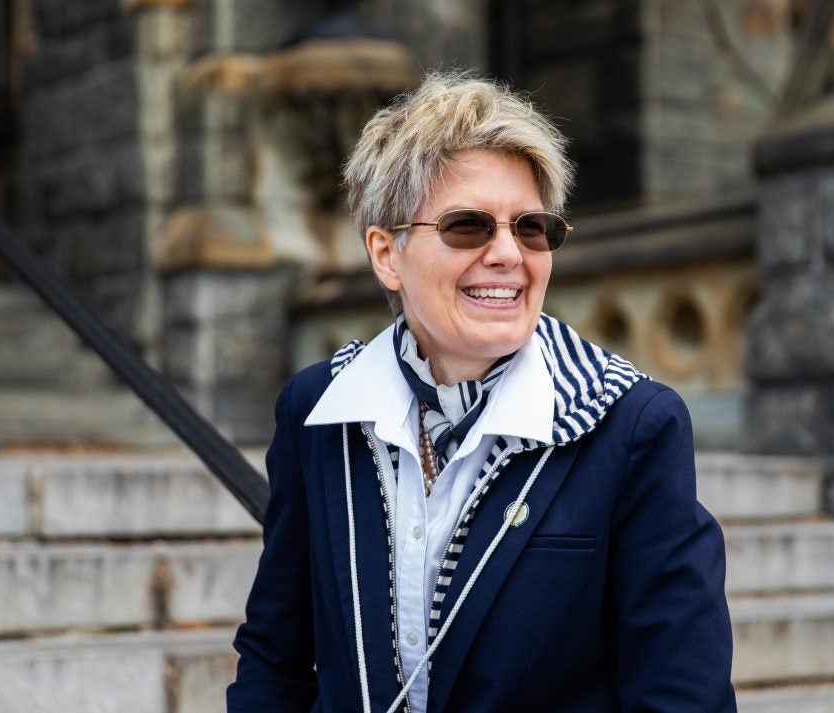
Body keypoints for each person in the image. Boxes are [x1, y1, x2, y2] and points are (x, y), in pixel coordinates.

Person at [227, 72, 736, 713]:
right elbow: (276, 657)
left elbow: (680, 695)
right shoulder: (318, 409)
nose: (508, 254)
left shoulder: (633, 425)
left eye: (531, 228)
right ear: (387, 254)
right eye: (467, 226)